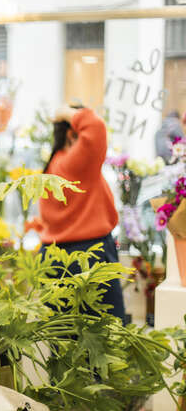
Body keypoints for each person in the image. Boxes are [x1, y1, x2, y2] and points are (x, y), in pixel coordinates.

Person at [28, 105, 125, 321]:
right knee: (105, 339)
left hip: (53, 259)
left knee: (62, 342)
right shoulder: (76, 163)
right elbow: (96, 127)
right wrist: (67, 113)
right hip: (89, 257)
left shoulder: (52, 166)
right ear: (73, 133)